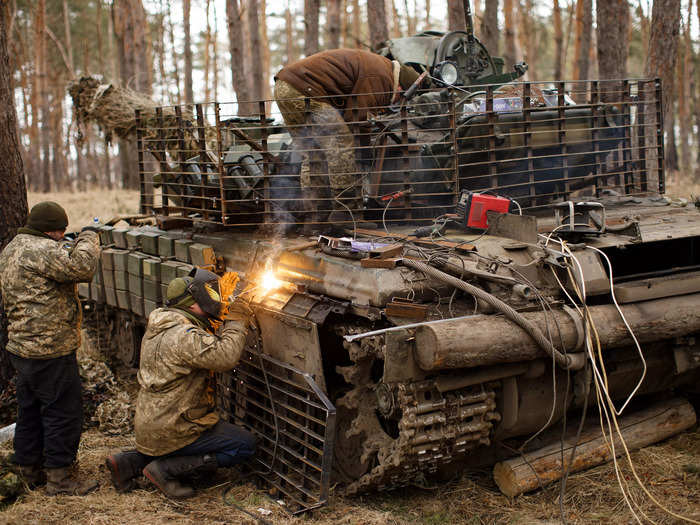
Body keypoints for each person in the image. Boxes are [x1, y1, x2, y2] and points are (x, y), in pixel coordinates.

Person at [105, 268, 256, 498]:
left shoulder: (160, 324)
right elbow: (225, 355)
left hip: (150, 424)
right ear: (192, 304)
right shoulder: (184, 334)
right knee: (244, 444)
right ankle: (165, 470)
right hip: (175, 425)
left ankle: (129, 462)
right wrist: (237, 318)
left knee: (173, 443)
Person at [0, 201, 101, 495]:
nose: (61, 237)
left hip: (22, 348)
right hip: (50, 349)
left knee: (29, 412)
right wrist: (89, 236)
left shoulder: (12, 249)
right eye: (61, 232)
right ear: (53, 230)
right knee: (63, 413)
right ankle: (60, 479)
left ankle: (28, 470)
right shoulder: (42, 250)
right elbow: (83, 267)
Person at [274, 49, 421, 225]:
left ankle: (317, 216)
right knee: (341, 143)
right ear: (400, 87)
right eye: (400, 98)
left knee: (313, 153)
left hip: (285, 88)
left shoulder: (378, 67)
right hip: (304, 91)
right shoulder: (381, 76)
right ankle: (347, 214)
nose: (397, 102)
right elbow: (357, 118)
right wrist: (364, 152)